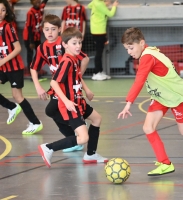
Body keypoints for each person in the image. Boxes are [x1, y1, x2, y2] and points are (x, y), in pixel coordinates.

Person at [118, 27, 183, 176]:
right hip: (161, 97)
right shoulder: (148, 52)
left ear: (141, 43)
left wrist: (128, 103)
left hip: (176, 97)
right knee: (148, 127)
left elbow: (139, 81)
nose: (129, 52)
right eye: (127, 49)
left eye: (131, 48)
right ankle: (165, 163)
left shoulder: (148, 56)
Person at [38, 27, 108, 168]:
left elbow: (77, 77)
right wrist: (67, 101)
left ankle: (91, 154)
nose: (78, 46)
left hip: (79, 100)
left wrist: (87, 90)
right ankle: (48, 148)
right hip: (71, 104)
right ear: (65, 45)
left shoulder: (75, 59)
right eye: (74, 43)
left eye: (79, 43)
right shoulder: (67, 61)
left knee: (97, 119)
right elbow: (54, 82)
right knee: (83, 138)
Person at [30, 14, 89, 153]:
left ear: (59, 30)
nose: (50, 32)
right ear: (42, 30)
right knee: (51, 111)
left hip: (64, 87)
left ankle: (77, 131)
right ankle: (75, 135)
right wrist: (38, 86)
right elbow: (33, 68)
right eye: (46, 29)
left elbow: (84, 59)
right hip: (55, 86)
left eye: (53, 29)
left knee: (54, 110)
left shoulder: (64, 44)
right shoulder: (42, 48)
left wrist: (76, 76)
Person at [0, 0, 43, 135]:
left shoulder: (8, 27)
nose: (0, 13)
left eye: (2, 10)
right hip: (3, 67)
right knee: (15, 99)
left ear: (6, 12)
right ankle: (12, 107)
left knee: (17, 96)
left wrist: (2, 61)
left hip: (13, 67)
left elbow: (17, 48)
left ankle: (35, 123)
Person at [87, 0, 118, 81]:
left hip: (96, 30)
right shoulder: (100, 4)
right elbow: (111, 14)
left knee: (100, 52)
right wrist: (114, 5)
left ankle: (99, 72)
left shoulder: (95, 2)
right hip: (99, 31)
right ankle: (96, 73)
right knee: (99, 53)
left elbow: (89, 6)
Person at [23, 0, 48, 75]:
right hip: (29, 38)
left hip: (37, 37)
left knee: (39, 52)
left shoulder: (40, 8)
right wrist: (31, 42)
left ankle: (36, 69)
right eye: (35, 0)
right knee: (30, 54)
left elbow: (44, 2)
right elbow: (29, 27)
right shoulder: (30, 13)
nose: (37, 1)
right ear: (31, 2)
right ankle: (30, 72)